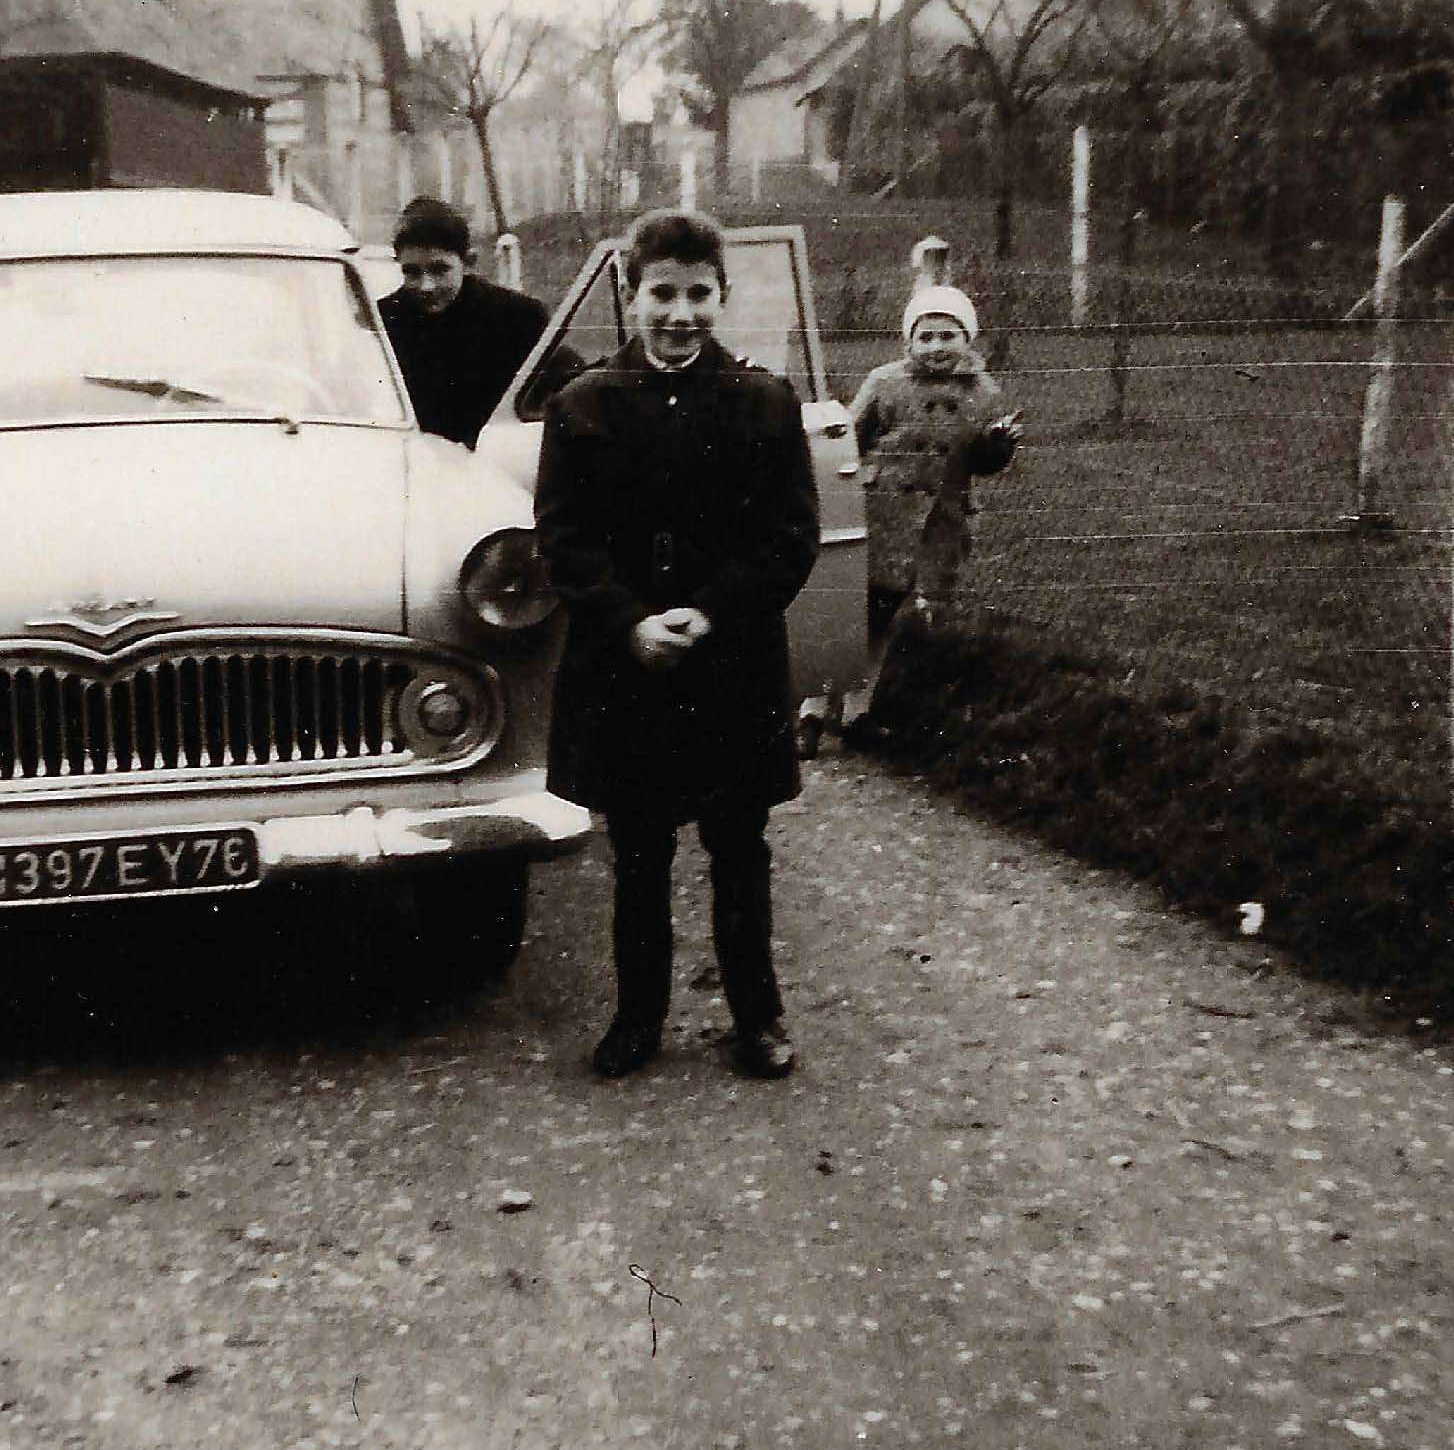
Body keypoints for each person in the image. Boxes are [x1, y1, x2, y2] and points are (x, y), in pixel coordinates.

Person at [533, 209, 821, 1082]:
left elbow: (787, 537)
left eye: (699, 294)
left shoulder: (764, 403)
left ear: (722, 296)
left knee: (739, 844)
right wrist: (626, 620)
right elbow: (563, 537)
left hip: (729, 664)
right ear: (630, 294)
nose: (680, 313)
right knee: (640, 847)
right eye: (662, 293)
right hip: (628, 669)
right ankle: (636, 1016)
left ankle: (756, 1015)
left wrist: (708, 614)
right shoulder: (580, 404)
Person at [848, 278, 1021, 658]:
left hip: (942, 516)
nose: (937, 347)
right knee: (867, 609)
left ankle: (907, 680)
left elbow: (981, 462)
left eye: (948, 336)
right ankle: (828, 700)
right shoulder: (885, 383)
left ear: (968, 339)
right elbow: (850, 438)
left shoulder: (984, 392)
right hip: (883, 513)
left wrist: (997, 446)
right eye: (925, 337)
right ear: (909, 342)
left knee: (926, 605)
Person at [374, 194, 550, 447]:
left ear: (469, 262)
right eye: (411, 272)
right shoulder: (382, 320)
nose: (426, 286)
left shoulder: (519, 317)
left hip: (494, 464)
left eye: (439, 269)